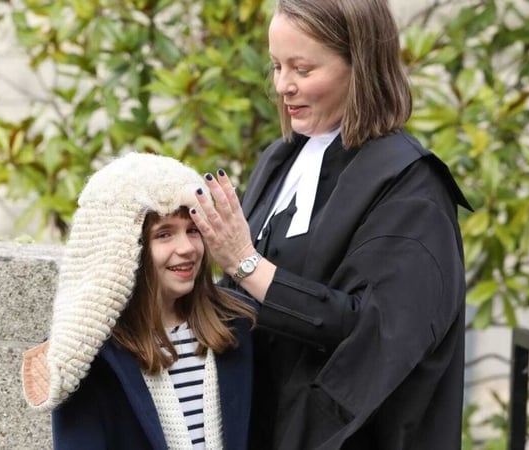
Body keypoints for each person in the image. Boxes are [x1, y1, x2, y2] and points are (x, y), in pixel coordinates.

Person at [188, 0, 472, 448]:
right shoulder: (281, 159)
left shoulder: (412, 187)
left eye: (302, 69)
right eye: (277, 66)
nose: (283, 85)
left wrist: (246, 264)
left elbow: (375, 335)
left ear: (361, 66)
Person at [21, 153, 256, 449]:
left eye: (193, 230)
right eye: (164, 234)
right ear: (124, 247)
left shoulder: (238, 323)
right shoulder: (87, 356)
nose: (186, 248)